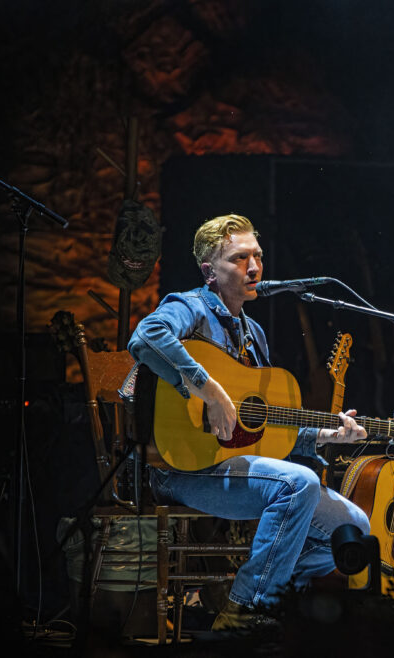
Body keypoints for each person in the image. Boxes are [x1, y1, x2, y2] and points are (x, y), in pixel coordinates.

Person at [127, 214, 371, 630]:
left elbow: (260, 427)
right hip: (178, 468)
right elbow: (147, 336)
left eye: (257, 256)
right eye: (240, 258)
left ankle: (274, 594)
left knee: (353, 527)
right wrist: (210, 390)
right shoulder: (190, 307)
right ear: (210, 271)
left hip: (230, 466)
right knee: (298, 483)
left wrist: (322, 434)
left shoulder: (253, 332)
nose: (254, 267)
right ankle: (247, 609)